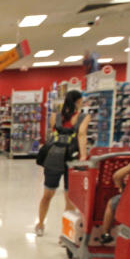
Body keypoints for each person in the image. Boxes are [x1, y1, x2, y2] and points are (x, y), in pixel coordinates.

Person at [36, 90, 89, 236]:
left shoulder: (55, 116)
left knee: (47, 194)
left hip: (53, 157)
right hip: (71, 159)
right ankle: (67, 233)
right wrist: (83, 155)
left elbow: (53, 134)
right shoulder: (83, 117)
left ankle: (40, 224)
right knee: (70, 197)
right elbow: (82, 135)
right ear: (78, 101)